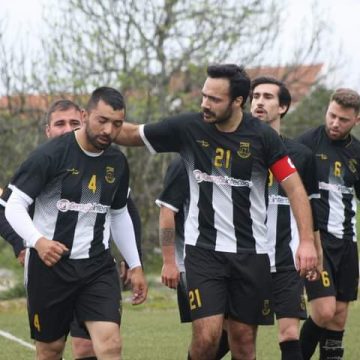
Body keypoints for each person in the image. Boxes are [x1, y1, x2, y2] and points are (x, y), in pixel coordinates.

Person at [114, 64, 317, 359]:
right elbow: (132, 133)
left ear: (238, 101)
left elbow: (296, 188)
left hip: (251, 254)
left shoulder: (263, 138)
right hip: (204, 252)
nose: (204, 104)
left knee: (244, 343)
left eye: (214, 99)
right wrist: (94, 128)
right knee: (208, 337)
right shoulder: (189, 128)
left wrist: (307, 241)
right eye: (204, 96)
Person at [5, 87, 147, 360]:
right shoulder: (50, 155)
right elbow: (14, 205)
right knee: (50, 350)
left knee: (110, 344)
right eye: (102, 121)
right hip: (50, 268)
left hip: (97, 267)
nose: (108, 130)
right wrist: (39, 241)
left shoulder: (117, 162)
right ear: (85, 115)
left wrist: (136, 264)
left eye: (116, 124)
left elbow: (118, 214)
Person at [249, 76, 322, 360]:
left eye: (267, 97)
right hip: (245, 257)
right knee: (236, 337)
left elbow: (311, 209)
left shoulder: (301, 155)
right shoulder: (238, 151)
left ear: (283, 107)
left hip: (286, 259)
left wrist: (315, 250)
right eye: (255, 96)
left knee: (290, 333)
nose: (259, 102)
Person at [298, 88, 360, 360]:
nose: (335, 123)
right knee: (323, 311)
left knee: (337, 318)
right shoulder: (306, 144)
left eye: (343, 120)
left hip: (347, 242)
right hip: (318, 241)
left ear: (356, 120)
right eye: (332, 115)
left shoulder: (357, 152)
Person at [156, 156, 229, 359]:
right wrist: (170, 262)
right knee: (209, 336)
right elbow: (167, 212)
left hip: (234, 260)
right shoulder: (183, 164)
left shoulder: (232, 158)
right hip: (193, 263)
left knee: (238, 334)